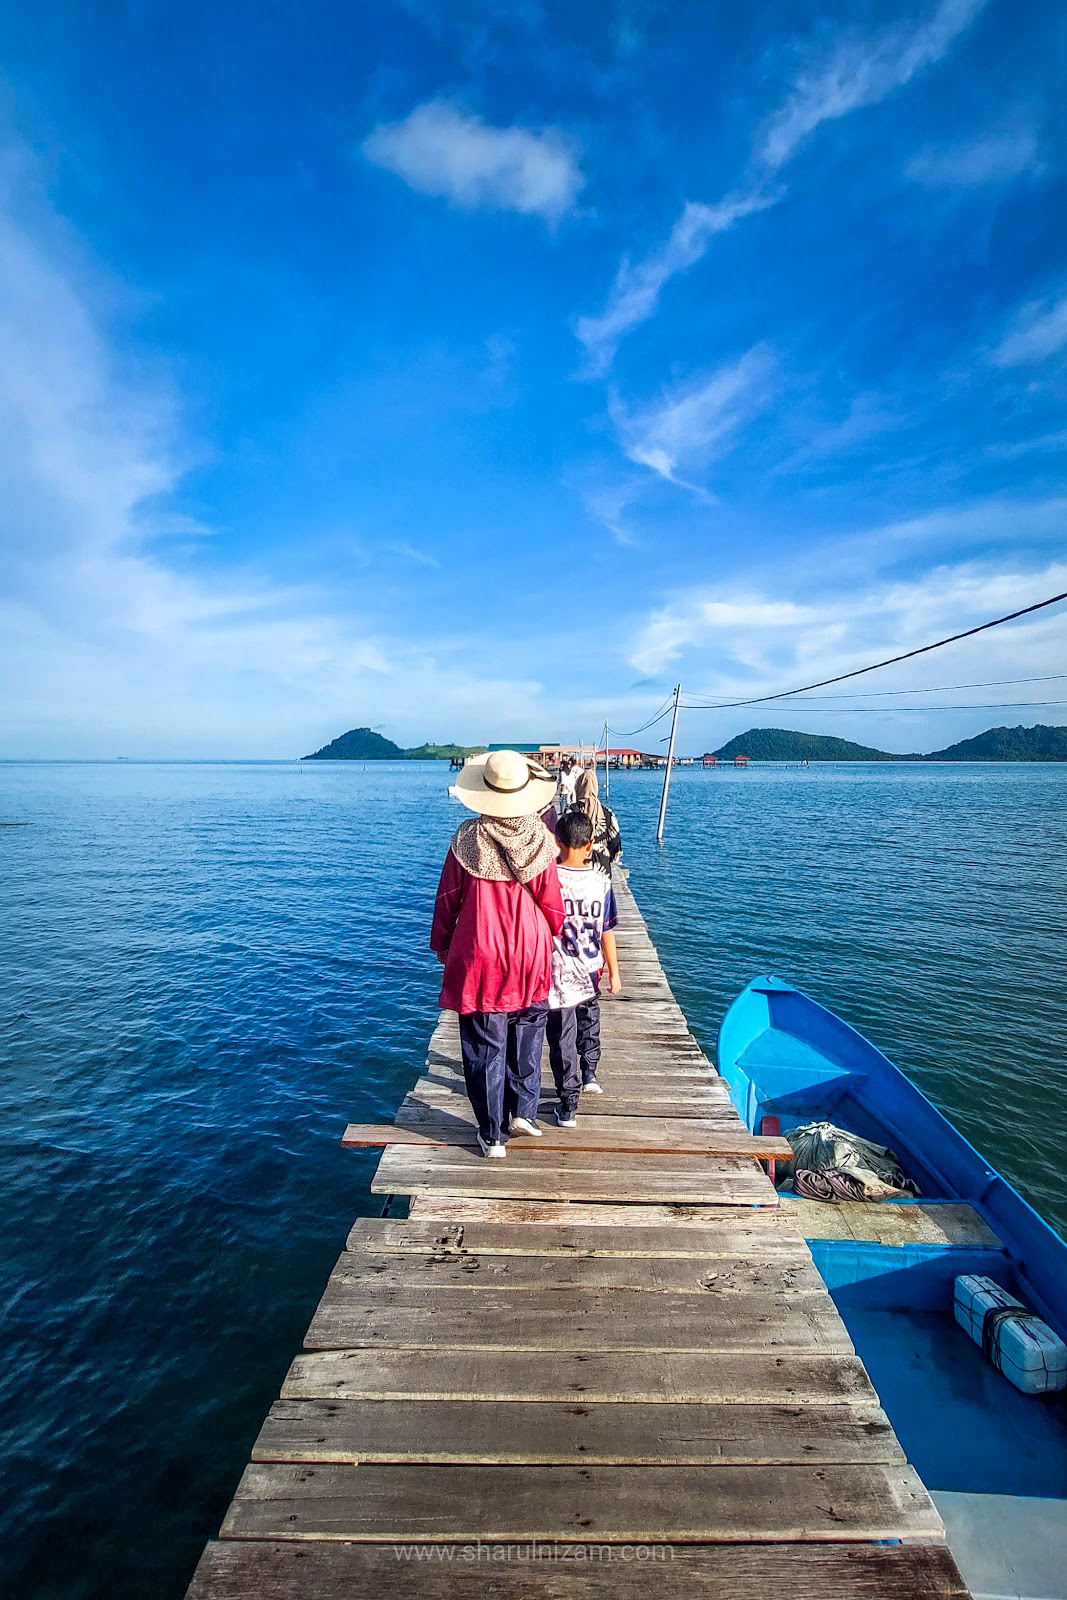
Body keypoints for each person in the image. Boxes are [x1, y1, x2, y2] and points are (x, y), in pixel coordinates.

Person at [430, 750, 565, 1158]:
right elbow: (553, 905)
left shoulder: (466, 841)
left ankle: (492, 1135)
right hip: (530, 951)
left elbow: (448, 900)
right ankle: (523, 1110)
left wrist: (442, 945)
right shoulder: (541, 839)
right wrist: (552, 936)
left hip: (481, 950)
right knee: (528, 1027)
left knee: (485, 1041)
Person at [545, 809, 621, 1121]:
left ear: (556, 842)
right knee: (589, 1022)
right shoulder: (601, 883)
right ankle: (589, 1074)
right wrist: (615, 973)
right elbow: (607, 931)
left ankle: (568, 1105)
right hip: (591, 969)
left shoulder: (549, 882)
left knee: (561, 1037)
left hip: (558, 973)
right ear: (590, 845)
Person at [574, 767, 622, 877]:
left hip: (577, 864)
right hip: (601, 865)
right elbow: (615, 842)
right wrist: (607, 855)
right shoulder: (607, 813)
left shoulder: (571, 811)